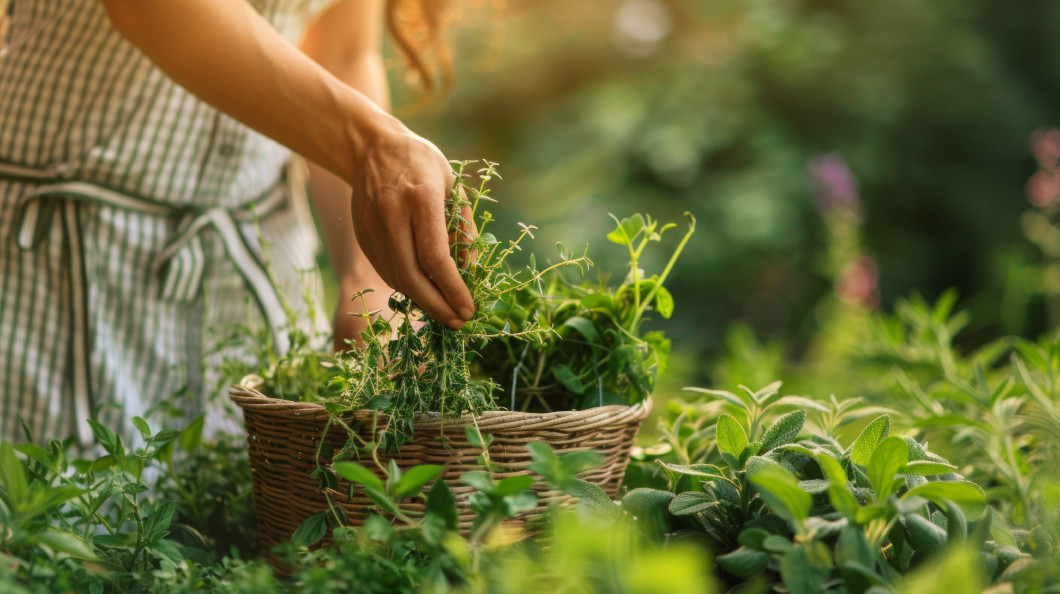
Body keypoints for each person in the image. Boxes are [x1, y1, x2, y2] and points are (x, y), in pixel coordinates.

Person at [0, 0, 473, 445]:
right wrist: (370, 144)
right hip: (60, 260)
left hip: (251, 263)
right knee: (69, 510)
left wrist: (368, 282)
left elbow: (341, 51)